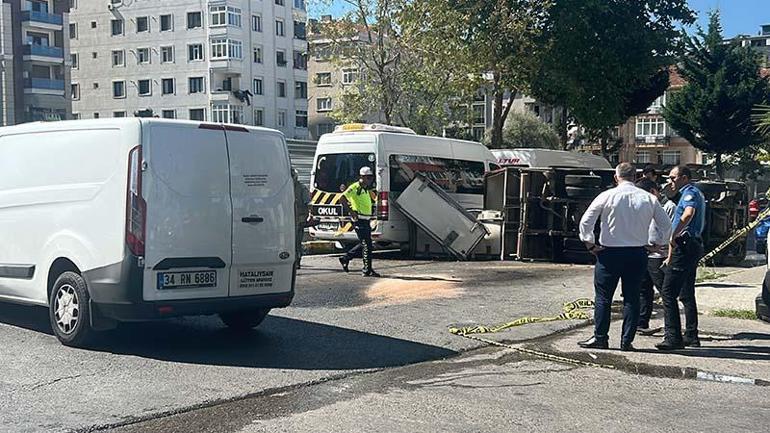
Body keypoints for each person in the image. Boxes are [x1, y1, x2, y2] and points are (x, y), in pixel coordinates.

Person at [578, 163, 672, 351]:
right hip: (637, 253)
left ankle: (600, 337)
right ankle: (626, 340)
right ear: (636, 177)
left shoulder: (606, 196)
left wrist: (589, 243)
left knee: (604, 297)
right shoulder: (649, 198)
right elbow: (666, 225)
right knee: (632, 297)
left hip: (609, 253)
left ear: (616, 177)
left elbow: (586, 221)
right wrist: (658, 244)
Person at [656, 165, 706, 350]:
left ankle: (673, 336)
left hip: (685, 246)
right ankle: (691, 335)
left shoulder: (689, 193)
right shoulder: (693, 193)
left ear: (684, 178)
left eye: (673, 178)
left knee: (668, 292)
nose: (670, 181)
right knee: (686, 292)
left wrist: (673, 235)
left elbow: (688, 214)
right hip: (691, 245)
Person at [634, 178, 674, 335]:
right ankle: (642, 322)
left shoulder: (667, 206)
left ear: (653, 192)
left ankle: (670, 326)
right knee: (644, 290)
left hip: (659, 254)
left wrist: (662, 247)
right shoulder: (643, 206)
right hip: (645, 252)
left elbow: (670, 228)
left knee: (664, 290)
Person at [338, 167, 380, 277]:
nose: (370, 180)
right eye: (368, 177)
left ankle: (346, 258)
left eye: (371, 177)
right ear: (361, 177)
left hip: (366, 220)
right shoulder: (355, 187)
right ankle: (367, 269)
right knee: (367, 244)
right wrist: (351, 212)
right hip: (359, 220)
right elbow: (342, 199)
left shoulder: (366, 188)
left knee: (366, 244)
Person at [292, 169, 313, 269]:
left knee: (296, 241)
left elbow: (308, 203)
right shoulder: (287, 188)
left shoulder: (302, 188)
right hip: (289, 219)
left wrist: (310, 215)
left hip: (299, 219)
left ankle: (297, 260)